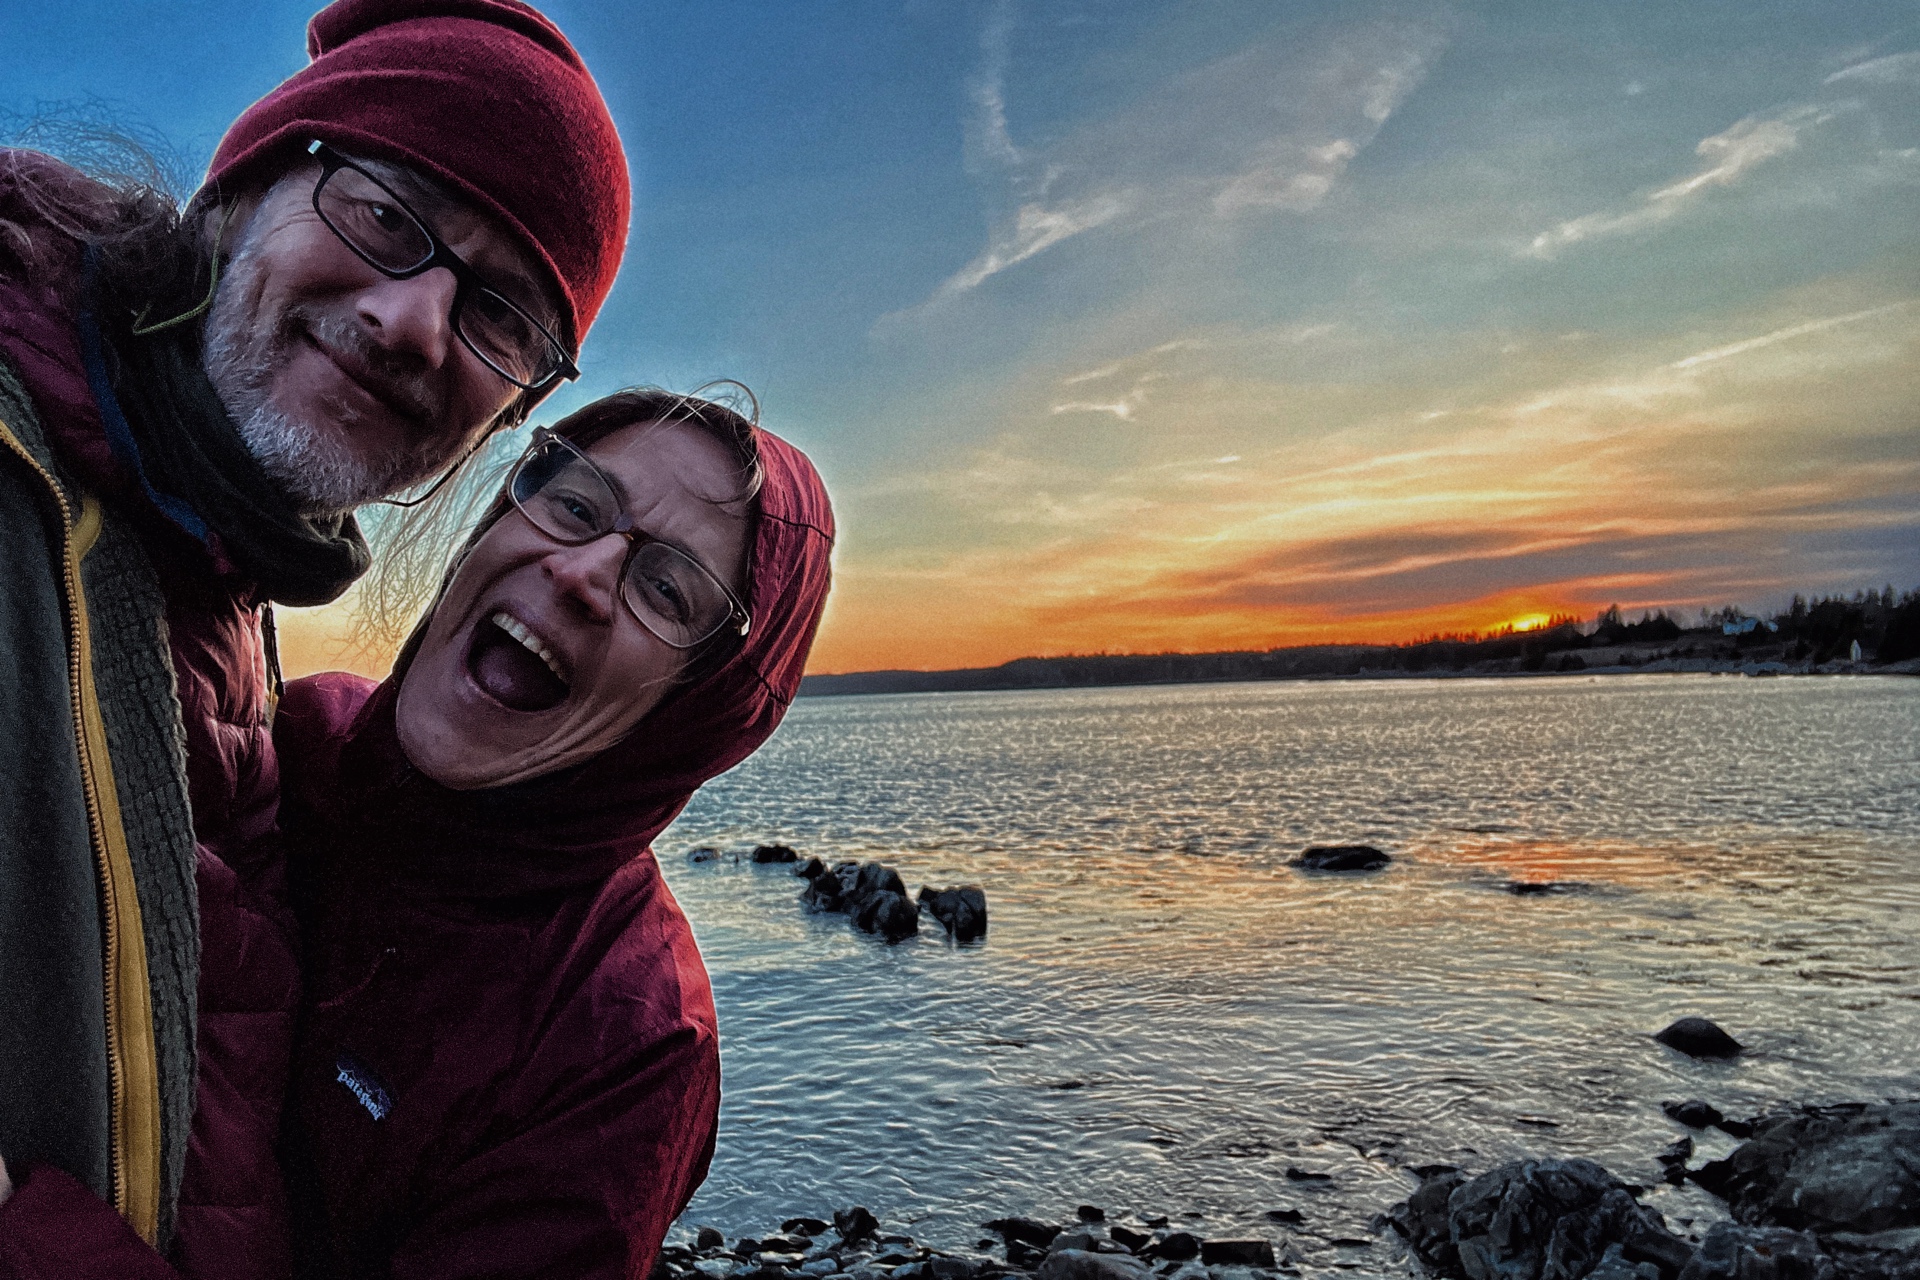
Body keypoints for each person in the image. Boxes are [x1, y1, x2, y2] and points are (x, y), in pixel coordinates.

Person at [0, 0, 628, 1268]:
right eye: (386, 216)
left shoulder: (214, 572)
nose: (415, 324)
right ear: (244, 190)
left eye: (503, 317)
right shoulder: (26, 487)